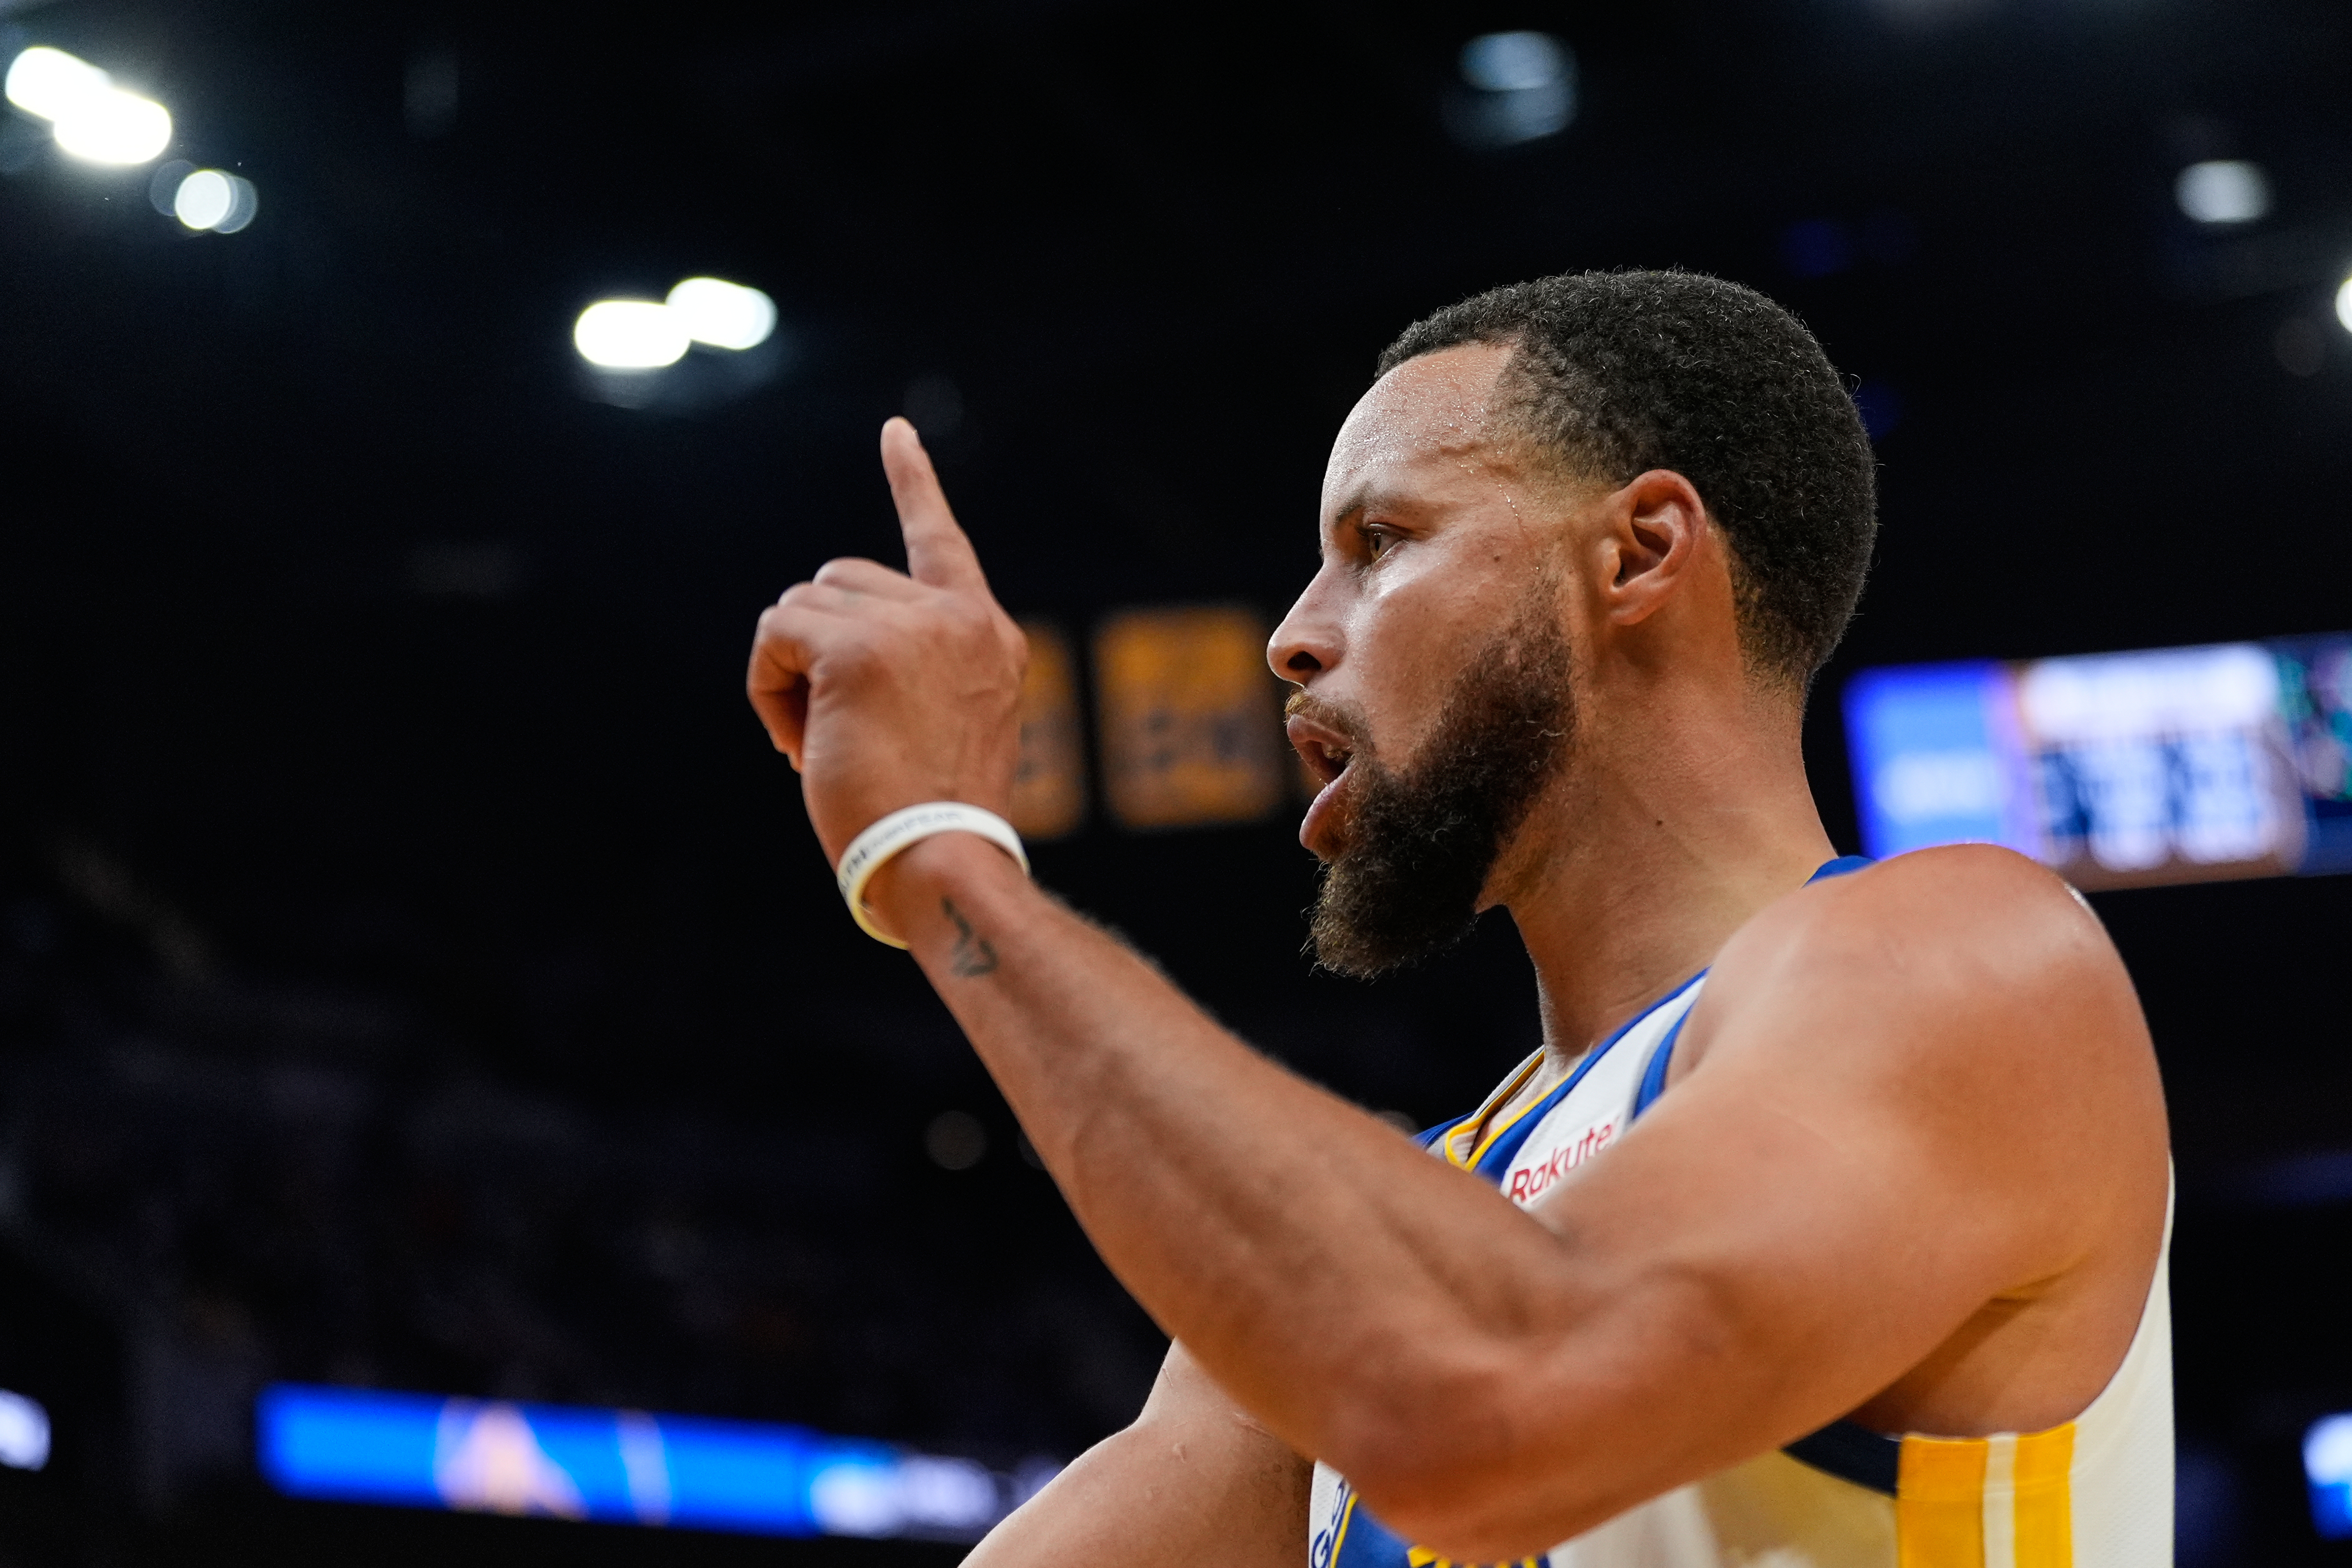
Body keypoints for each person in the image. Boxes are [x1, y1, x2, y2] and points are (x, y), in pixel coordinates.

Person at [745, 270, 2172, 1568]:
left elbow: (1488, 1405)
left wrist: (939, 858)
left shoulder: (1964, 956)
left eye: (1381, 540)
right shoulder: (1404, 1239)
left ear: (1640, 552)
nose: (1292, 633)